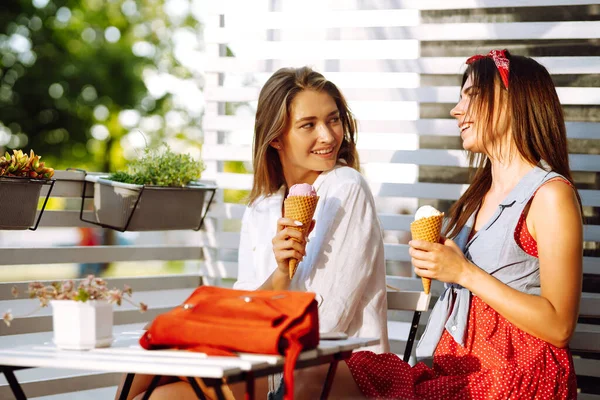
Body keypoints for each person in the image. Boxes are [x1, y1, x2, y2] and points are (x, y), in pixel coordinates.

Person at [292, 49, 583, 399]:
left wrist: (463, 273)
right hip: (451, 370)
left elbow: (559, 325)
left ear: (512, 103)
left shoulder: (550, 195)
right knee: (323, 374)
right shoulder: (477, 198)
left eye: (471, 97)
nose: (456, 110)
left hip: (510, 377)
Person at [118, 66, 389, 400]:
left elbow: (328, 322)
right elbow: (246, 301)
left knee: (162, 387)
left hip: (330, 365)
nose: (329, 136)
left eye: (333, 120)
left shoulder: (346, 188)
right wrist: (279, 274)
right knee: (150, 359)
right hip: (263, 353)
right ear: (275, 137)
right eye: (309, 125)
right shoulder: (262, 207)